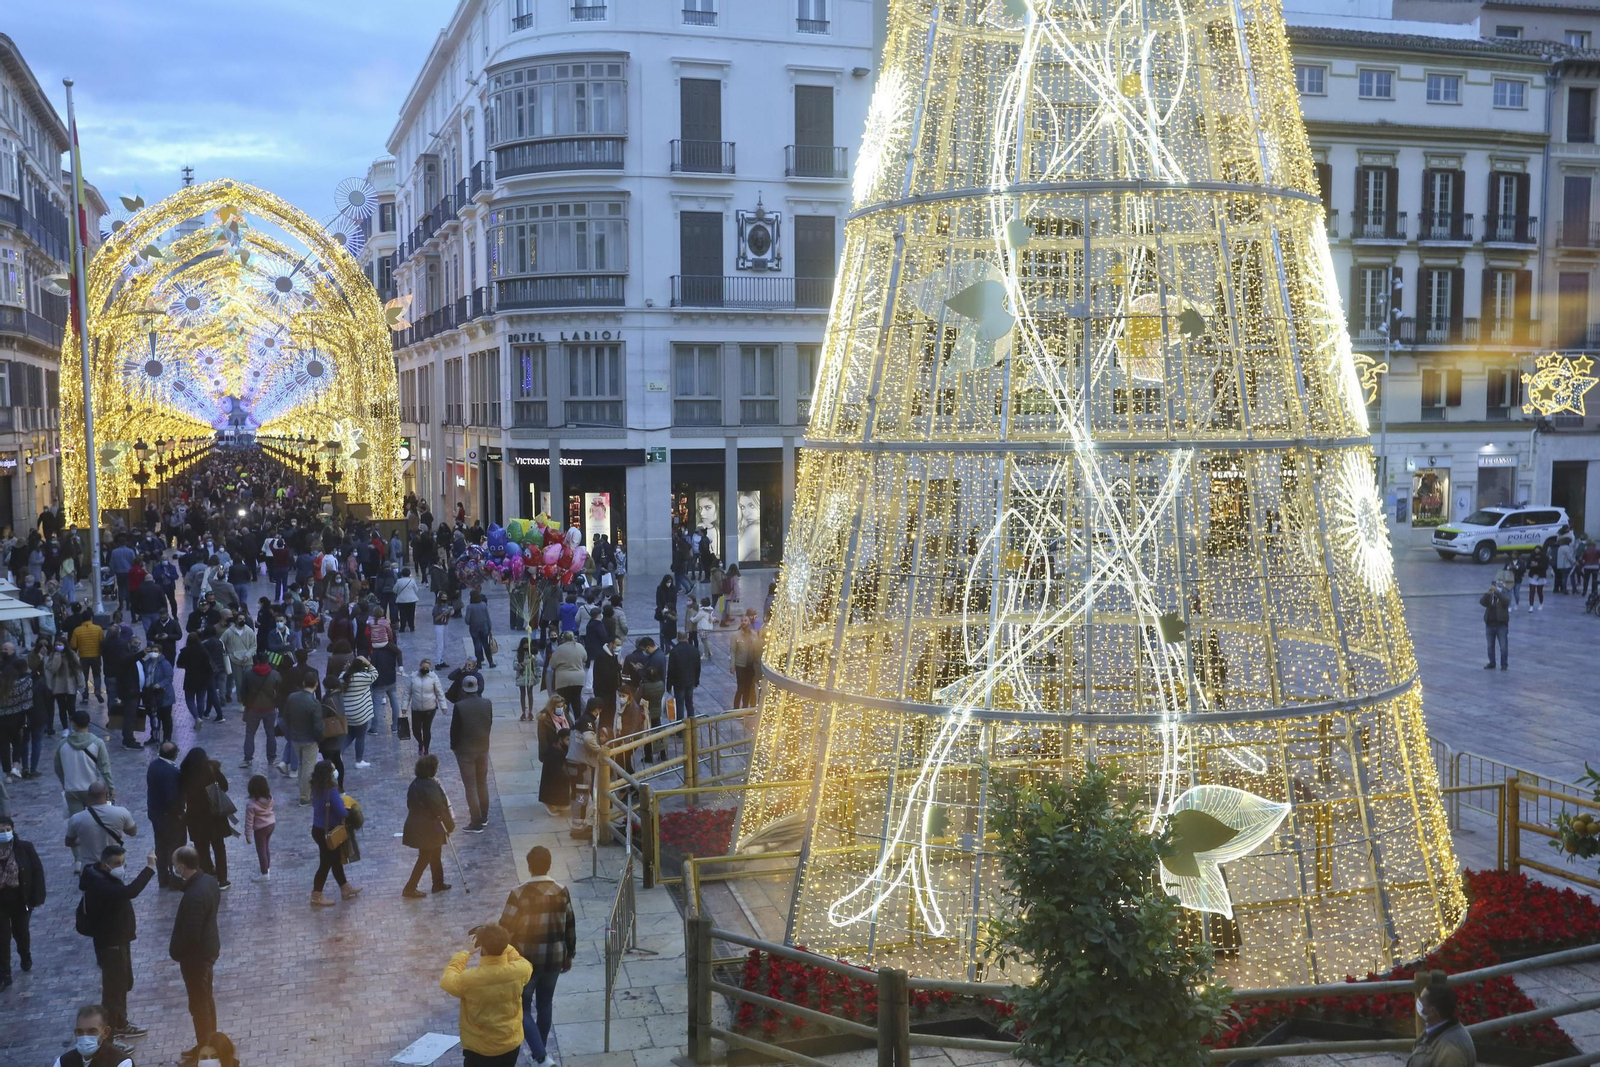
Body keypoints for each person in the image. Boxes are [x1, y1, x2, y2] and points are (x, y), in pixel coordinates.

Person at [499, 845, 577, 1067]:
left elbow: (505, 928)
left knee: (522, 1008)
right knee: (545, 1004)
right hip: (554, 958)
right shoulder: (561, 891)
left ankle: (540, 1056)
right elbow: (570, 925)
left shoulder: (519, 893)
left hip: (526, 961)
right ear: (549, 865)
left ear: (529, 866)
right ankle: (540, 1053)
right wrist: (569, 954)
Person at [79, 844, 156, 1039]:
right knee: (113, 991)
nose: (120, 867)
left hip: (119, 940)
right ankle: (110, 1035)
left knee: (123, 984)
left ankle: (120, 1022)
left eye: (123, 862)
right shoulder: (100, 885)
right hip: (111, 944)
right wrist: (149, 868)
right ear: (104, 863)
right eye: (116, 863)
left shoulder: (101, 876)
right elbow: (130, 891)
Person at [440, 923, 533, 1067]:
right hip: (510, 1044)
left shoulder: (469, 979)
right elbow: (518, 958)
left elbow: (447, 980)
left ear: (483, 948)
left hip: (480, 1048)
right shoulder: (521, 970)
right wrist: (500, 943)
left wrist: (465, 952)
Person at [168, 844, 221, 1060]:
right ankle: (206, 1045)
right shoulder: (208, 881)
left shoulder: (194, 896)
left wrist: (178, 952)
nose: (173, 869)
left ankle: (206, 1051)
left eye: (174, 865)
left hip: (196, 959)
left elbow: (191, 934)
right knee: (205, 1000)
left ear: (181, 867)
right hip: (207, 951)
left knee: (199, 1005)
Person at [401, 753, 455, 898]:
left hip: (420, 826)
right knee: (425, 857)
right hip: (428, 828)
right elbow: (438, 808)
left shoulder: (415, 783)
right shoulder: (430, 785)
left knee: (435, 853)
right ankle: (410, 887)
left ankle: (438, 883)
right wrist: (449, 825)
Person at [0, 812, 43, 991]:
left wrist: (37, 896)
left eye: (7, 829)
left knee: (21, 933)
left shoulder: (24, 848)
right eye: (1, 831)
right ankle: (5, 974)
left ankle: (25, 955)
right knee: (2, 938)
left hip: (19, 898)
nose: (4, 833)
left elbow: (37, 871)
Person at [179, 749, 231, 890]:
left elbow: (181, 794)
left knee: (201, 848)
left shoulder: (185, 774)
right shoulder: (211, 769)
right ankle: (222, 880)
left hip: (195, 817)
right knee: (219, 848)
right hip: (214, 815)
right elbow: (225, 786)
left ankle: (205, 876)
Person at [309, 759, 359, 906]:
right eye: (333, 770)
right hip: (329, 833)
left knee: (335, 860)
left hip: (318, 830)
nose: (335, 772)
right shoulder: (331, 791)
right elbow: (341, 811)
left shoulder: (315, 787)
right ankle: (316, 895)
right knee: (325, 864)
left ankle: (345, 888)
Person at [64, 779, 138, 874]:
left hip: (90, 868)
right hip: (114, 866)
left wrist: (83, 839)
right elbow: (133, 832)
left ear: (88, 796)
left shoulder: (76, 819)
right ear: (107, 794)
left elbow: (69, 842)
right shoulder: (121, 812)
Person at [451, 674, 494, 832]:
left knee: (470, 787)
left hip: (465, 750)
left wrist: (454, 747)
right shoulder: (487, 703)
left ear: (463, 689)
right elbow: (489, 722)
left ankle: (475, 822)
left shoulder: (460, 706)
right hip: (482, 747)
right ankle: (484, 816)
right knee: (482, 783)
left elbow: (455, 730)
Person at [56, 709, 115, 815]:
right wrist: (111, 788)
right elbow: (105, 768)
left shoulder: (62, 744)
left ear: (73, 724)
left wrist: (65, 783)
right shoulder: (97, 743)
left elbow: (58, 768)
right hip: (93, 789)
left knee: (76, 821)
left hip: (71, 789)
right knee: (96, 820)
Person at [1406, 983, 1475, 1067]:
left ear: (1433, 1011)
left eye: (1422, 1000)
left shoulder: (1450, 1052)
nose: (1418, 1001)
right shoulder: (1435, 1029)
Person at [280, 673, 324, 805]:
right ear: (316, 685)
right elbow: (318, 726)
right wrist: (320, 739)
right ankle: (305, 797)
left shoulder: (292, 697)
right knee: (308, 768)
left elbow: (286, 717)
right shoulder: (314, 703)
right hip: (310, 739)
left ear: (304, 683)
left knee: (301, 766)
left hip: (295, 738)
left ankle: (303, 792)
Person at [146, 741, 185, 888]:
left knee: (161, 847)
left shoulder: (154, 765)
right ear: (174, 755)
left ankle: (163, 878)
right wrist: (179, 813)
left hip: (156, 814)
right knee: (174, 847)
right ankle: (175, 879)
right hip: (170, 817)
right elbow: (172, 798)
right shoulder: (171, 772)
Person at [50, 1003, 134, 1067]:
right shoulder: (62, 1062)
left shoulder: (122, 1063)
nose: (85, 1036)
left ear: (105, 1032)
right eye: (80, 1032)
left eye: (92, 1031)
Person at [238, 652, 282, 770]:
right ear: (268, 661)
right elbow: (280, 692)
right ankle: (271, 758)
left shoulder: (248, 674)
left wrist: (246, 703)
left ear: (257, 660)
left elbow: (243, 692)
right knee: (270, 733)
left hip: (253, 708)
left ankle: (248, 758)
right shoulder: (275, 675)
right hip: (269, 708)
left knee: (250, 734)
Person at [339, 655, 379, 769]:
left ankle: (339, 752)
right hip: (361, 713)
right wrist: (368, 663)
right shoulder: (362, 677)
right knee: (360, 736)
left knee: (350, 734)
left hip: (347, 712)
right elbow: (375, 674)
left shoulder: (342, 677)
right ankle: (359, 760)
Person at [536, 695, 572, 816]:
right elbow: (542, 738)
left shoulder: (565, 715)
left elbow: (571, 728)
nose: (560, 708)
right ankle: (549, 802)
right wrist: (546, 754)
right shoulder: (544, 719)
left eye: (562, 706)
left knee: (563, 778)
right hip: (551, 753)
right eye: (558, 706)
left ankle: (560, 801)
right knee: (551, 779)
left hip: (564, 752)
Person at [405, 657, 448, 756]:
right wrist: (404, 707)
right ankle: (420, 743)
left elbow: (439, 692)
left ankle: (426, 749)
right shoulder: (413, 677)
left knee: (426, 729)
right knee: (416, 730)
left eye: (427, 668)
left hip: (430, 708)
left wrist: (443, 706)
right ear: (420, 666)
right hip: (416, 708)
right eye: (423, 668)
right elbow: (407, 693)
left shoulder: (434, 678)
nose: (425, 670)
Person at [136, 645, 175, 747]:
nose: (153, 653)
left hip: (163, 694)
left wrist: (160, 684)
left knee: (165, 718)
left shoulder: (165, 664)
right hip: (150, 695)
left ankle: (167, 738)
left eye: (156, 651)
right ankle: (154, 737)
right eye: (152, 651)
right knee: (153, 717)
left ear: (160, 652)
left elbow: (169, 677)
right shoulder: (147, 663)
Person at [243, 774, 275, 881]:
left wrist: (247, 835)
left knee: (261, 850)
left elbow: (249, 821)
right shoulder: (269, 798)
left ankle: (264, 873)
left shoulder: (251, 804)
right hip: (271, 824)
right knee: (266, 847)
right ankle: (267, 867)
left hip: (260, 829)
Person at [549, 631, 587, 717]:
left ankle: (565, 720)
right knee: (576, 701)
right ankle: (578, 720)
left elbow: (552, 664)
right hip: (578, 679)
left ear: (563, 639)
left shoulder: (559, 649)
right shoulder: (580, 647)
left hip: (563, 680)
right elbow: (585, 658)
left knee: (564, 702)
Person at [667, 632, 701, 720]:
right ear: (687, 637)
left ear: (677, 638)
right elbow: (698, 668)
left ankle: (680, 725)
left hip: (678, 683)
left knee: (680, 705)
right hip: (690, 681)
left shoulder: (674, 651)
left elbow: (671, 670)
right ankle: (692, 724)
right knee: (690, 704)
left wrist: (669, 686)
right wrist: (696, 681)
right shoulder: (694, 650)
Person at [731, 616, 762, 709]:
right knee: (741, 688)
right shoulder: (735, 635)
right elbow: (732, 651)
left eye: (745, 620)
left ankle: (745, 707)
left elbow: (758, 649)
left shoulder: (754, 635)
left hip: (750, 666)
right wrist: (732, 665)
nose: (743, 622)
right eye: (742, 620)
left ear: (749, 622)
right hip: (740, 665)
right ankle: (736, 708)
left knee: (748, 688)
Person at [1481, 580, 1511, 671]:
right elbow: (1482, 602)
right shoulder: (1490, 595)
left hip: (1501, 624)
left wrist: (1498, 593)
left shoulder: (1505, 593)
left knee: (1503, 646)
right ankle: (1492, 662)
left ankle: (1504, 664)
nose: (1495, 587)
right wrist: (1487, 594)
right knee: (1490, 645)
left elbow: (1506, 601)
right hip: (1490, 623)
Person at [465, 590, 496, 667]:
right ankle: (491, 662)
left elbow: (467, 620)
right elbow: (487, 616)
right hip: (484, 627)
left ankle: (479, 663)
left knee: (477, 645)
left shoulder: (470, 607)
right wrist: (489, 626)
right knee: (486, 644)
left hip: (474, 628)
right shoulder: (483, 605)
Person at [514, 637, 537, 721]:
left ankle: (530, 711)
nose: (526, 645)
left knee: (530, 693)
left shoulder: (532, 654)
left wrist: (537, 676)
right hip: (522, 676)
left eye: (527, 643)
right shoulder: (518, 655)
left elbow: (536, 665)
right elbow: (515, 666)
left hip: (530, 676)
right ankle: (523, 711)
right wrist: (522, 664)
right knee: (522, 694)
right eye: (524, 643)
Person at [394, 567, 420, 632]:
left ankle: (402, 627)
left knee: (402, 614)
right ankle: (412, 627)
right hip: (411, 600)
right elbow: (416, 590)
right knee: (411, 614)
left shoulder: (399, 581)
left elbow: (394, 590)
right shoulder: (412, 581)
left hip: (401, 600)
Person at [432, 591, 453, 668]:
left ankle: (441, 660)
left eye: (445, 597)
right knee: (439, 644)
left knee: (445, 644)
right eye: (443, 597)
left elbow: (448, 617)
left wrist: (450, 613)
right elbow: (436, 618)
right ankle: (437, 662)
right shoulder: (436, 607)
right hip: (439, 626)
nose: (444, 599)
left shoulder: (446, 605)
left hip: (445, 625)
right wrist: (443, 614)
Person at [1526, 547, 1549, 613]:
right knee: (1532, 591)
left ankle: (1541, 603)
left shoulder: (1544, 557)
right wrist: (1532, 565)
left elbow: (1545, 566)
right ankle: (1531, 606)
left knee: (1539, 591)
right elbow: (1527, 566)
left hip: (1540, 576)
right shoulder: (1531, 557)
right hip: (1533, 575)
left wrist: (1537, 565)